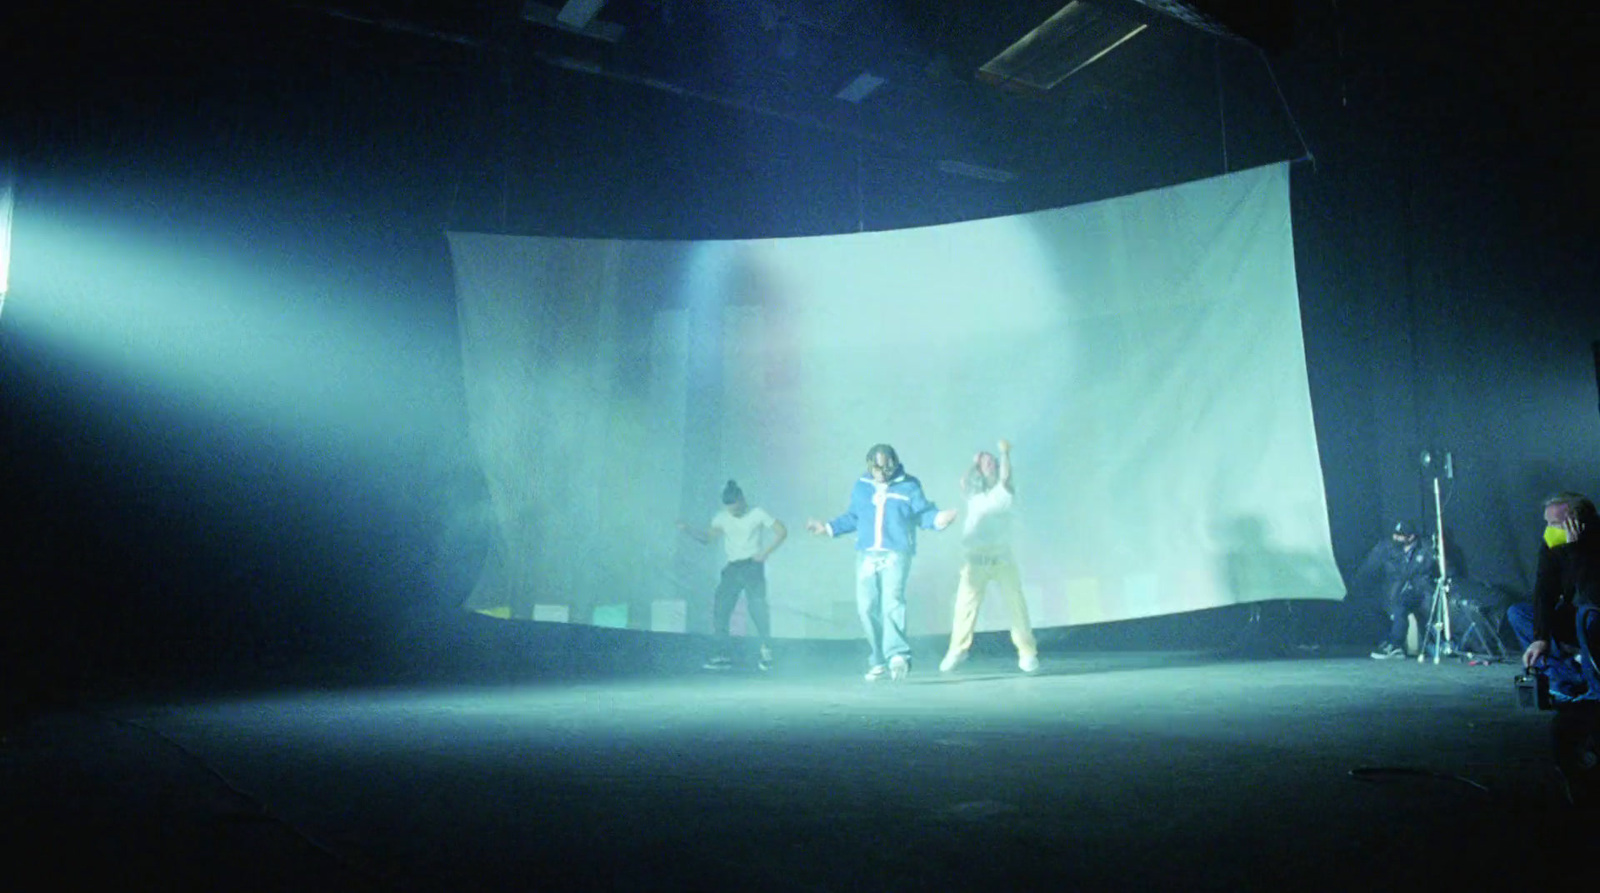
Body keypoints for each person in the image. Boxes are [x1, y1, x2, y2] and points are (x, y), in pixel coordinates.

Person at [806, 444, 957, 681]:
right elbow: (853, 516)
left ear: (895, 463)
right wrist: (826, 528)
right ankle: (878, 658)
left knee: (892, 603)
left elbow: (922, 513)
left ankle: (897, 655)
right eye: (878, 468)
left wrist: (939, 519)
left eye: (888, 467)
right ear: (870, 466)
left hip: (895, 554)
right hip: (867, 554)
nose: (883, 472)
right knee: (866, 608)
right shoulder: (862, 486)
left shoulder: (909, 485)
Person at [938, 439, 1040, 674]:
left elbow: (1005, 475)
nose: (991, 465)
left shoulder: (1004, 490)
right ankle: (957, 650)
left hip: (1002, 559)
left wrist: (1004, 454)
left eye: (992, 462)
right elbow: (964, 481)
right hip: (974, 560)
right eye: (986, 463)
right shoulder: (973, 494)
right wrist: (973, 462)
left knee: (1016, 606)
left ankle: (1027, 652)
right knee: (964, 607)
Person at [677, 480, 787, 671]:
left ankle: (767, 651)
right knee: (721, 609)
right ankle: (721, 654)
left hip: (752, 566)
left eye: (735, 507)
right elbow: (707, 538)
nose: (733, 512)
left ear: (742, 499)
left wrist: (765, 552)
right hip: (733, 568)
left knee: (758, 609)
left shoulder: (757, 513)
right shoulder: (721, 517)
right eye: (730, 508)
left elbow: (781, 531)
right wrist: (688, 530)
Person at [1507, 492, 1600, 701]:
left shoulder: (1594, 542)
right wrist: (1540, 637)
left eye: (1554, 524)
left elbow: (1591, 596)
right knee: (1518, 613)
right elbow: (1544, 590)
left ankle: (1595, 689)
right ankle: (1568, 679)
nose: (1548, 530)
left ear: (1577, 523)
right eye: (1547, 523)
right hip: (1574, 617)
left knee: (1587, 614)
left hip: (1593, 616)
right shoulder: (1552, 545)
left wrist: (1576, 550)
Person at [1350, 520, 1438, 659]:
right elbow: (1369, 568)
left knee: (1401, 604)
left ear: (1411, 537)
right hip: (1395, 590)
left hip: (1419, 591)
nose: (1395, 538)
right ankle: (1388, 640)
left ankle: (1395, 646)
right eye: (1395, 534)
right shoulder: (1389, 548)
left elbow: (1422, 574)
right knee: (1375, 605)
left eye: (1400, 536)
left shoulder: (1425, 550)